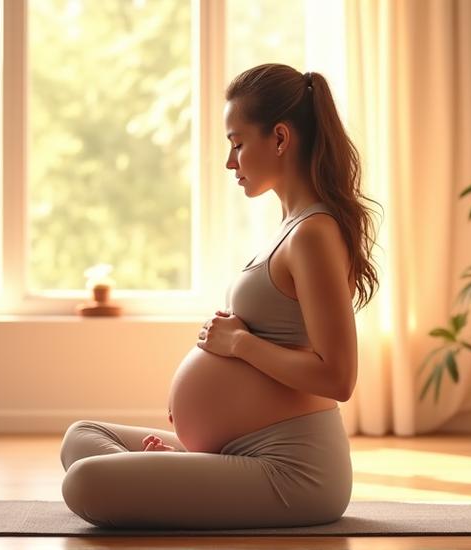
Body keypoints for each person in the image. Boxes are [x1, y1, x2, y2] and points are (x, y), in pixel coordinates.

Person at [59, 63, 381, 529]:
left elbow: (339, 378)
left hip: (292, 471)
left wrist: (239, 345)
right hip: (236, 451)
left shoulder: (314, 233)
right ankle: (185, 465)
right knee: (82, 437)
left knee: (85, 483)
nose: (230, 162)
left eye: (237, 144)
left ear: (280, 139)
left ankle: (175, 470)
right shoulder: (289, 228)